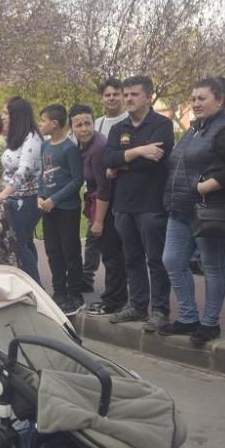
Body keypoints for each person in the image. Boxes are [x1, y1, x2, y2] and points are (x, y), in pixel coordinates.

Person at [160, 77, 225, 344]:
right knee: (172, 260)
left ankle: (210, 323)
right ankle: (188, 318)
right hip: (180, 207)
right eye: (194, 99)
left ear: (220, 100)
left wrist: (208, 186)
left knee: (212, 264)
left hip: (211, 209)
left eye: (202, 98)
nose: (196, 103)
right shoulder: (194, 129)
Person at [104, 75, 175, 332]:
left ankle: (159, 310)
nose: (128, 99)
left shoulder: (162, 124)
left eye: (134, 94)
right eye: (126, 94)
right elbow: (108, 158)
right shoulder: (118, 128)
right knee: (131, 258)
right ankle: (137, 305)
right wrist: (137, 151)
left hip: (152, 205)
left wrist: (121, 164)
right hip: (123, 204)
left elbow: (153, 159)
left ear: (147, 96)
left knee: (155, 259)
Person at [71, 105, 128, 316]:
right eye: (79, 125)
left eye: (88, 123)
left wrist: (99, 220)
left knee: (111, 253)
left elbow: (104, 187)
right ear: (72, 128)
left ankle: (114, 300)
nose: (84, 129)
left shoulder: (97, 147)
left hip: (108, 203)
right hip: (97, 200)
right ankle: (117, 296)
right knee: (107, 251)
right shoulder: (81, 145)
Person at [37, 104, 85, 314]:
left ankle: (75, 294)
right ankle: (59, 291)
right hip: (48, 209)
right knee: (53, 251)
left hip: (67, 209)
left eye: (43, 121)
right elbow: (42, 175)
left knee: (70, 251)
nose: (41, 125)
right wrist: (40, 195)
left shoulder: (70, 149)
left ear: (55, 124)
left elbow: (77, 180)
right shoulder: (45, 146)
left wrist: (54, 199)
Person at [83, 77, 129, 290]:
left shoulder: (130, 121)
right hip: (97, 194)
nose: (111, 98)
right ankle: (87, 278)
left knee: (119, 243)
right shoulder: (97, 124)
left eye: (115, 94)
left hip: (122, 192)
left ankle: (122, 286)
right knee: (94, 236)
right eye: (107, 95)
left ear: (123, 96)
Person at [0, 97, 44, 283]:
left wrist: (5, 192)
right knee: (26, 241)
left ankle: (35, 287)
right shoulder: (14, 138)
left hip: (28, 198)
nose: (3, 117)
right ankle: (31, 282)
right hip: (14, 199)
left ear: (18, 115)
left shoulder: (32, 138)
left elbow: (24, 170)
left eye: (6, 113)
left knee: (19, 243)